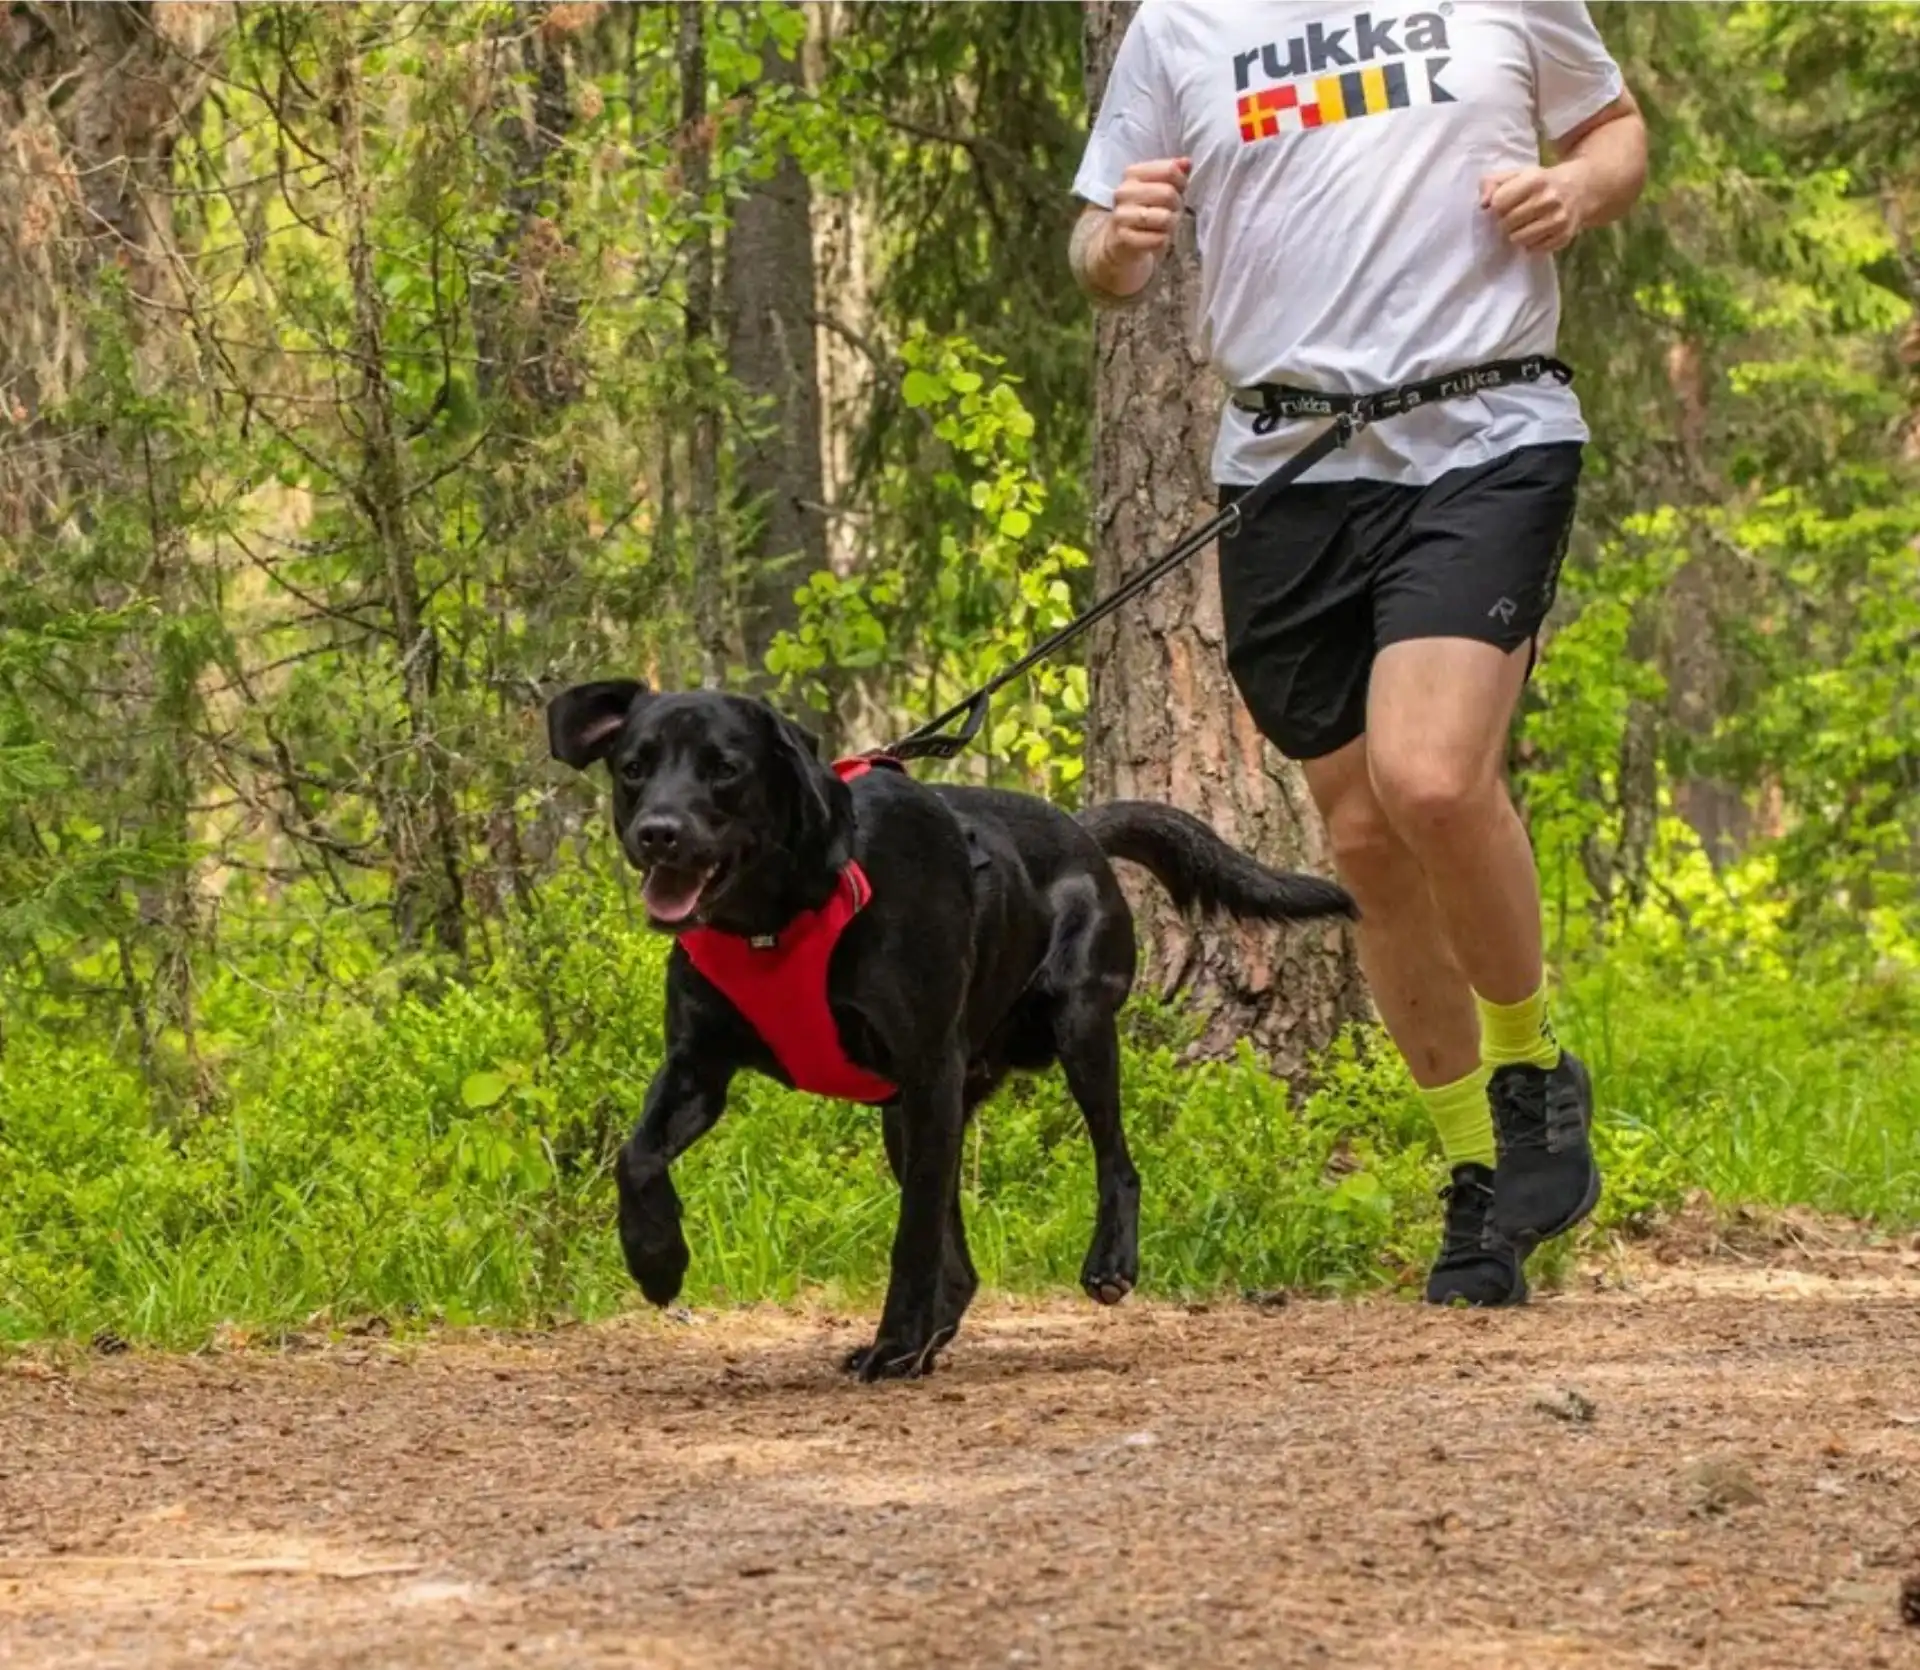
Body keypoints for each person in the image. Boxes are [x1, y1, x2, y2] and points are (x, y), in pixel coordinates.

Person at [1069, 3, 1648, 1305]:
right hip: (1288, 468)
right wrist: (1120, 242)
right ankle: (1477, 1185)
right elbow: (1098, 249)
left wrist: (1571, 189)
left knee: (1430, 776)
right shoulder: (1179, 25)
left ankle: (1529, 1069)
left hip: (1488, 429)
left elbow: (1615, 135)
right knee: (1366, 833)